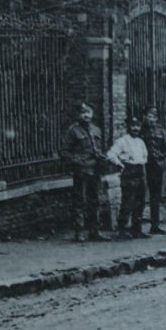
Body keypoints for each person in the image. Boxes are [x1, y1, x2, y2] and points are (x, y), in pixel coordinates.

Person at [61, 102, 117, 242]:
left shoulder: (96, 130)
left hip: (95, 169)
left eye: (89, 112)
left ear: (92, 114)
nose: (86, 115)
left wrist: (103, 158)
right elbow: (64, 152)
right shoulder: (73, 131)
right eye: (83, 113)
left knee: (95, 200)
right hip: (81, 170)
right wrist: (78, 160)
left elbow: (99, 149)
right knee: (80, 200)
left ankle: (94, 231)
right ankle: (79, 231)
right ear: (79, 115)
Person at [108, 115, 152, 238]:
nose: (135, 128)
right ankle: (122, 229)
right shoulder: (122, 141)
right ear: (128, 127)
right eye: (133, 126)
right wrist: (121, 164)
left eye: (137, 126)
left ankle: (136, 229)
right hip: (129, 172)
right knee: (128, 201)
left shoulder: (141, 141)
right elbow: (111, 154)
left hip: (140, 171)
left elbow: (145, 157)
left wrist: (140, 162)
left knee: (140, 201)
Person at [141, 108, 166, 235]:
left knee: (155, 197)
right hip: (143, 166)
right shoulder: (140, 130)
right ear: (144, 117)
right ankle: (136, 227)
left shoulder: (161, 131)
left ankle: (155, 225)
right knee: (140, 196)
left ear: (156, 118)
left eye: (153, 117)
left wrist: (162, 158)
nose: (151, 119)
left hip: (157, 166)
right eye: (148, 116)